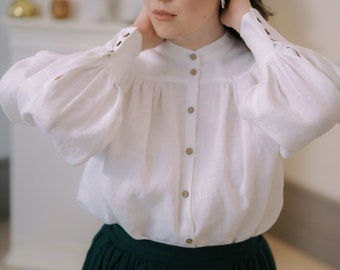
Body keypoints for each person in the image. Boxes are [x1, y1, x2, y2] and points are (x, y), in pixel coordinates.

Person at [0, 0, 339, 269]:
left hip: (236, 264)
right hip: (127, 263)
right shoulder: (118, 71)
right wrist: (131, 39)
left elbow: (322, 102)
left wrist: (248, 23)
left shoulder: (264, 76)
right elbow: (31, 99)